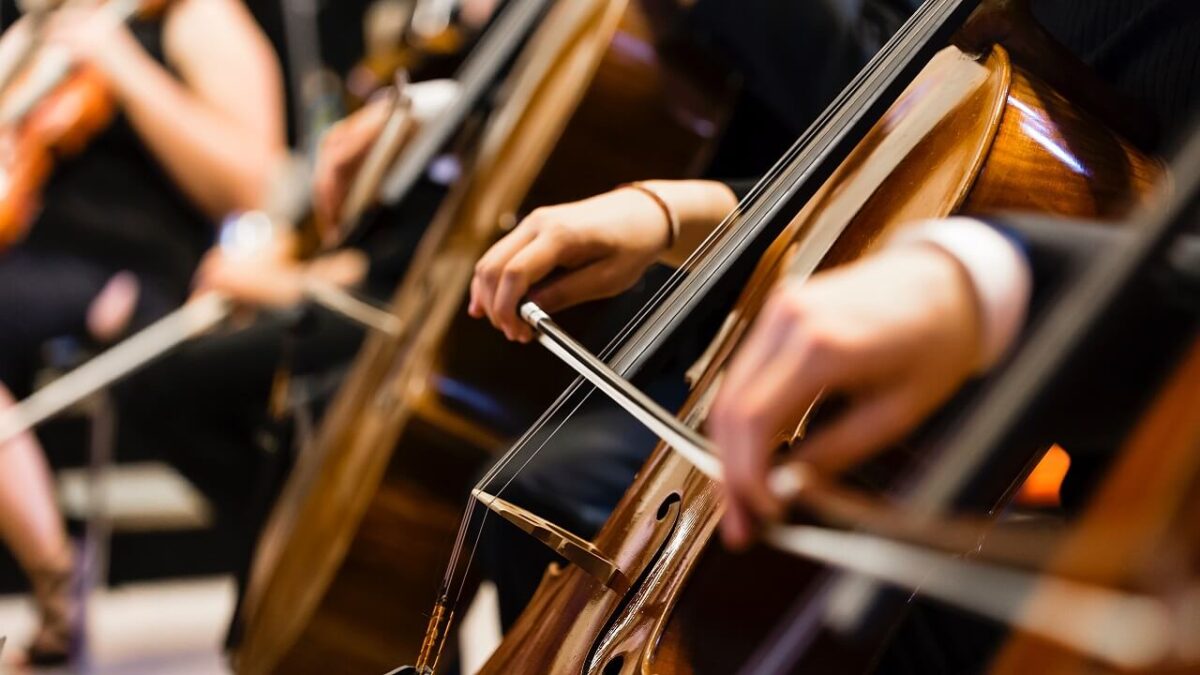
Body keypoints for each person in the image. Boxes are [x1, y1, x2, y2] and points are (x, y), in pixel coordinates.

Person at [466, 0, 1200, 668]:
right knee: (535, 498)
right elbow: (916, 149)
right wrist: (688, 211)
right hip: (890, 452)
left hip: (1104, 537)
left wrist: (994, 279)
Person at [0, 0, 285, 664]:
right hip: (27, 267)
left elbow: (252, 182)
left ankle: (55, 582)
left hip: (136, 275)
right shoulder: (39, 30)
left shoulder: (193, 18)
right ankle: (55, 576)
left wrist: (123, 66)